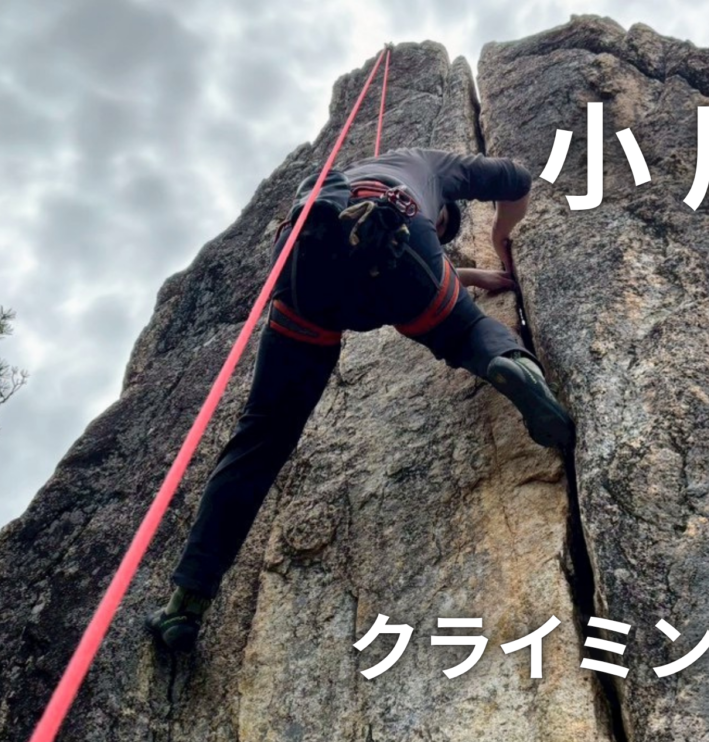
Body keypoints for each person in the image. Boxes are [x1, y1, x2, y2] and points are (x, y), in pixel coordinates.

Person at [147, 147, 574, 652]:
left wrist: (476, 276)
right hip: (401, 253)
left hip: (308, 273)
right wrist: (502, 239)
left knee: (261, 439)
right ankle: (510, 364)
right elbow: (518, 179)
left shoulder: (392, 165)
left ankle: (188, 601)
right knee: (465, 333)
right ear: (442, 217)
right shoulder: (430, 180)